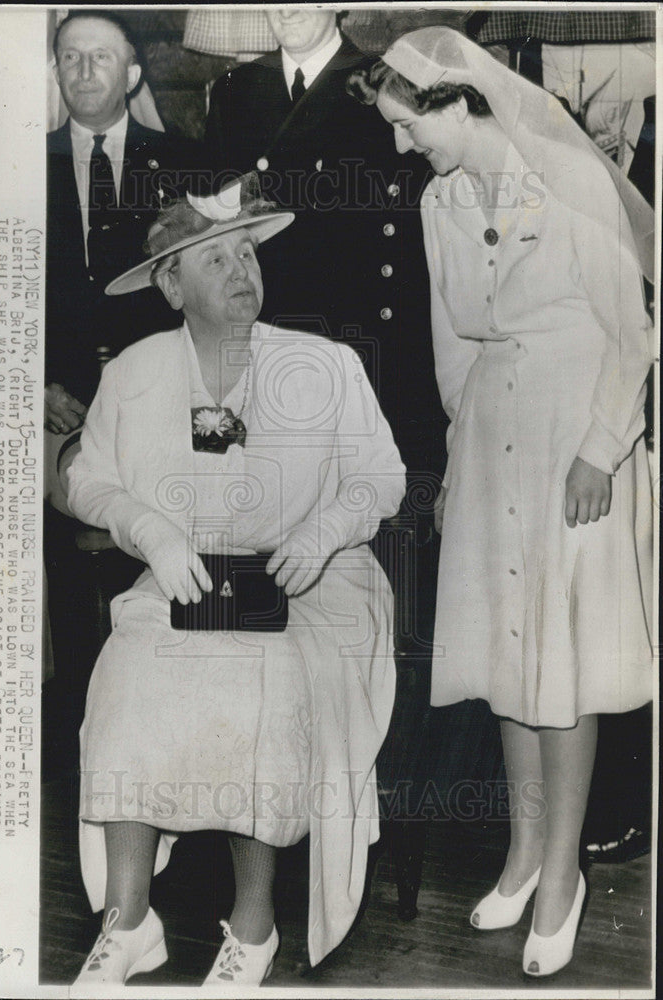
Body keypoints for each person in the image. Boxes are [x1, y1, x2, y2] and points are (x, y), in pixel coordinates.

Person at [349, 26, 654, 978]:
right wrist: (457, 462)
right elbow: (453, 347)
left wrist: (601, 452)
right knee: (507, 656)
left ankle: (563, 877)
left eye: (411, 127)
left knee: (564, 659)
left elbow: (636, 334)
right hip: (490, 439)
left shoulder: (570, 179)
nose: (404, 148)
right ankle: (523, 856)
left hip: (578, 436)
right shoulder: (442, 202)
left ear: (459, 102)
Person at [66, 173, 406, 986]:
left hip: (317, 581)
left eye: (247, 252)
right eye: (214, 259)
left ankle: (254, 931)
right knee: (130, 665)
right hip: (189, 578)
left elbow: (383, 477)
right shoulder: (137, 373)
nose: (240, 271)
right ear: (171, 285)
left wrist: (325, 530)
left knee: (267, 672)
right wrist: (148, 530)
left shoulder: (321, 364)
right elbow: (87, 479)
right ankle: (130, 921)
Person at [204, 9, 445, 479]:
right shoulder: (233, 90)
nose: (287, 9)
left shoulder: (384, 80)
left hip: (370, 352)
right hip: (264, 349)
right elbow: (215, 236)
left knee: (375, 518)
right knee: (256, 513)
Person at [46, 8, 200, 434]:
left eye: (101, 56)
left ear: (131, 77)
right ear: (57, 72)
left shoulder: (185, 162)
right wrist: (33, 386)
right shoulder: (24, 164)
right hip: (60, 405)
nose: (85, 70)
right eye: (71, 57)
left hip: (160, 395)